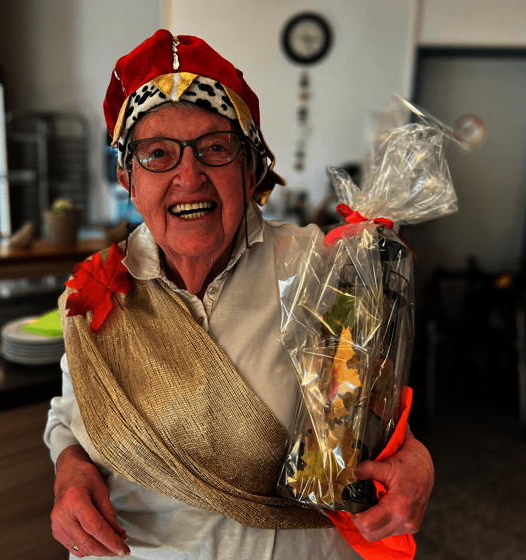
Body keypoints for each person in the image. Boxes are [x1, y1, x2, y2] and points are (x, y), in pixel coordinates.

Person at [45, 30, 434, 559]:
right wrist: (69, 467)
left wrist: (416, 461)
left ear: (251, 169)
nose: (189, 176)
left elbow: (370, 414)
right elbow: (68, 415)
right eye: (157, 153)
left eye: (215, 148)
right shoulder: (92, 295)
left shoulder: (322, 269)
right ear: (128, 178)